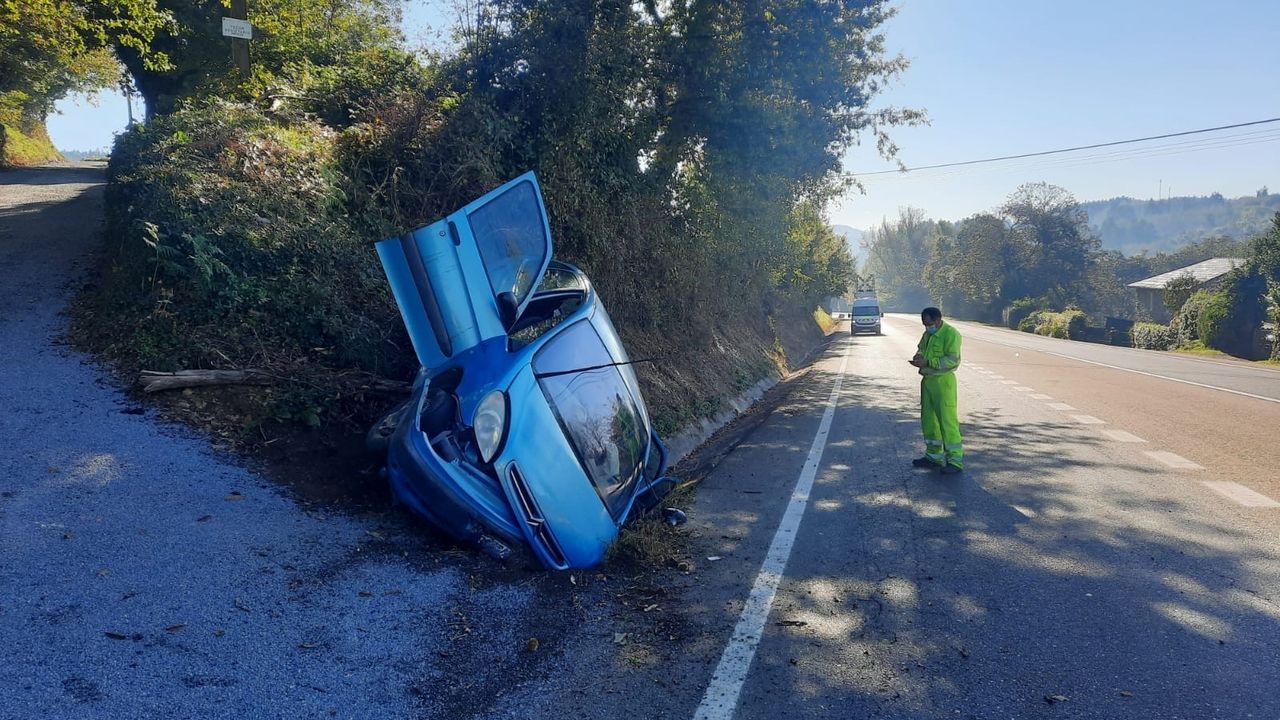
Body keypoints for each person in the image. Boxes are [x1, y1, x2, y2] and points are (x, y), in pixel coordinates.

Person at [908, 307, 963, 474]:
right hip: (928, 382)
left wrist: (929, 362)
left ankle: (955, 461)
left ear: (938, 320)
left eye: (929, 324)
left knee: (947, 422)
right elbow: (921, 349)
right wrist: (918, 357)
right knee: (929, 420)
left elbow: (952, 360)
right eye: (924, 324)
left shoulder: (951, 334)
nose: (927, 327)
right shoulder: (928, 334)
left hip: (943, 382)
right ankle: (933, 456)